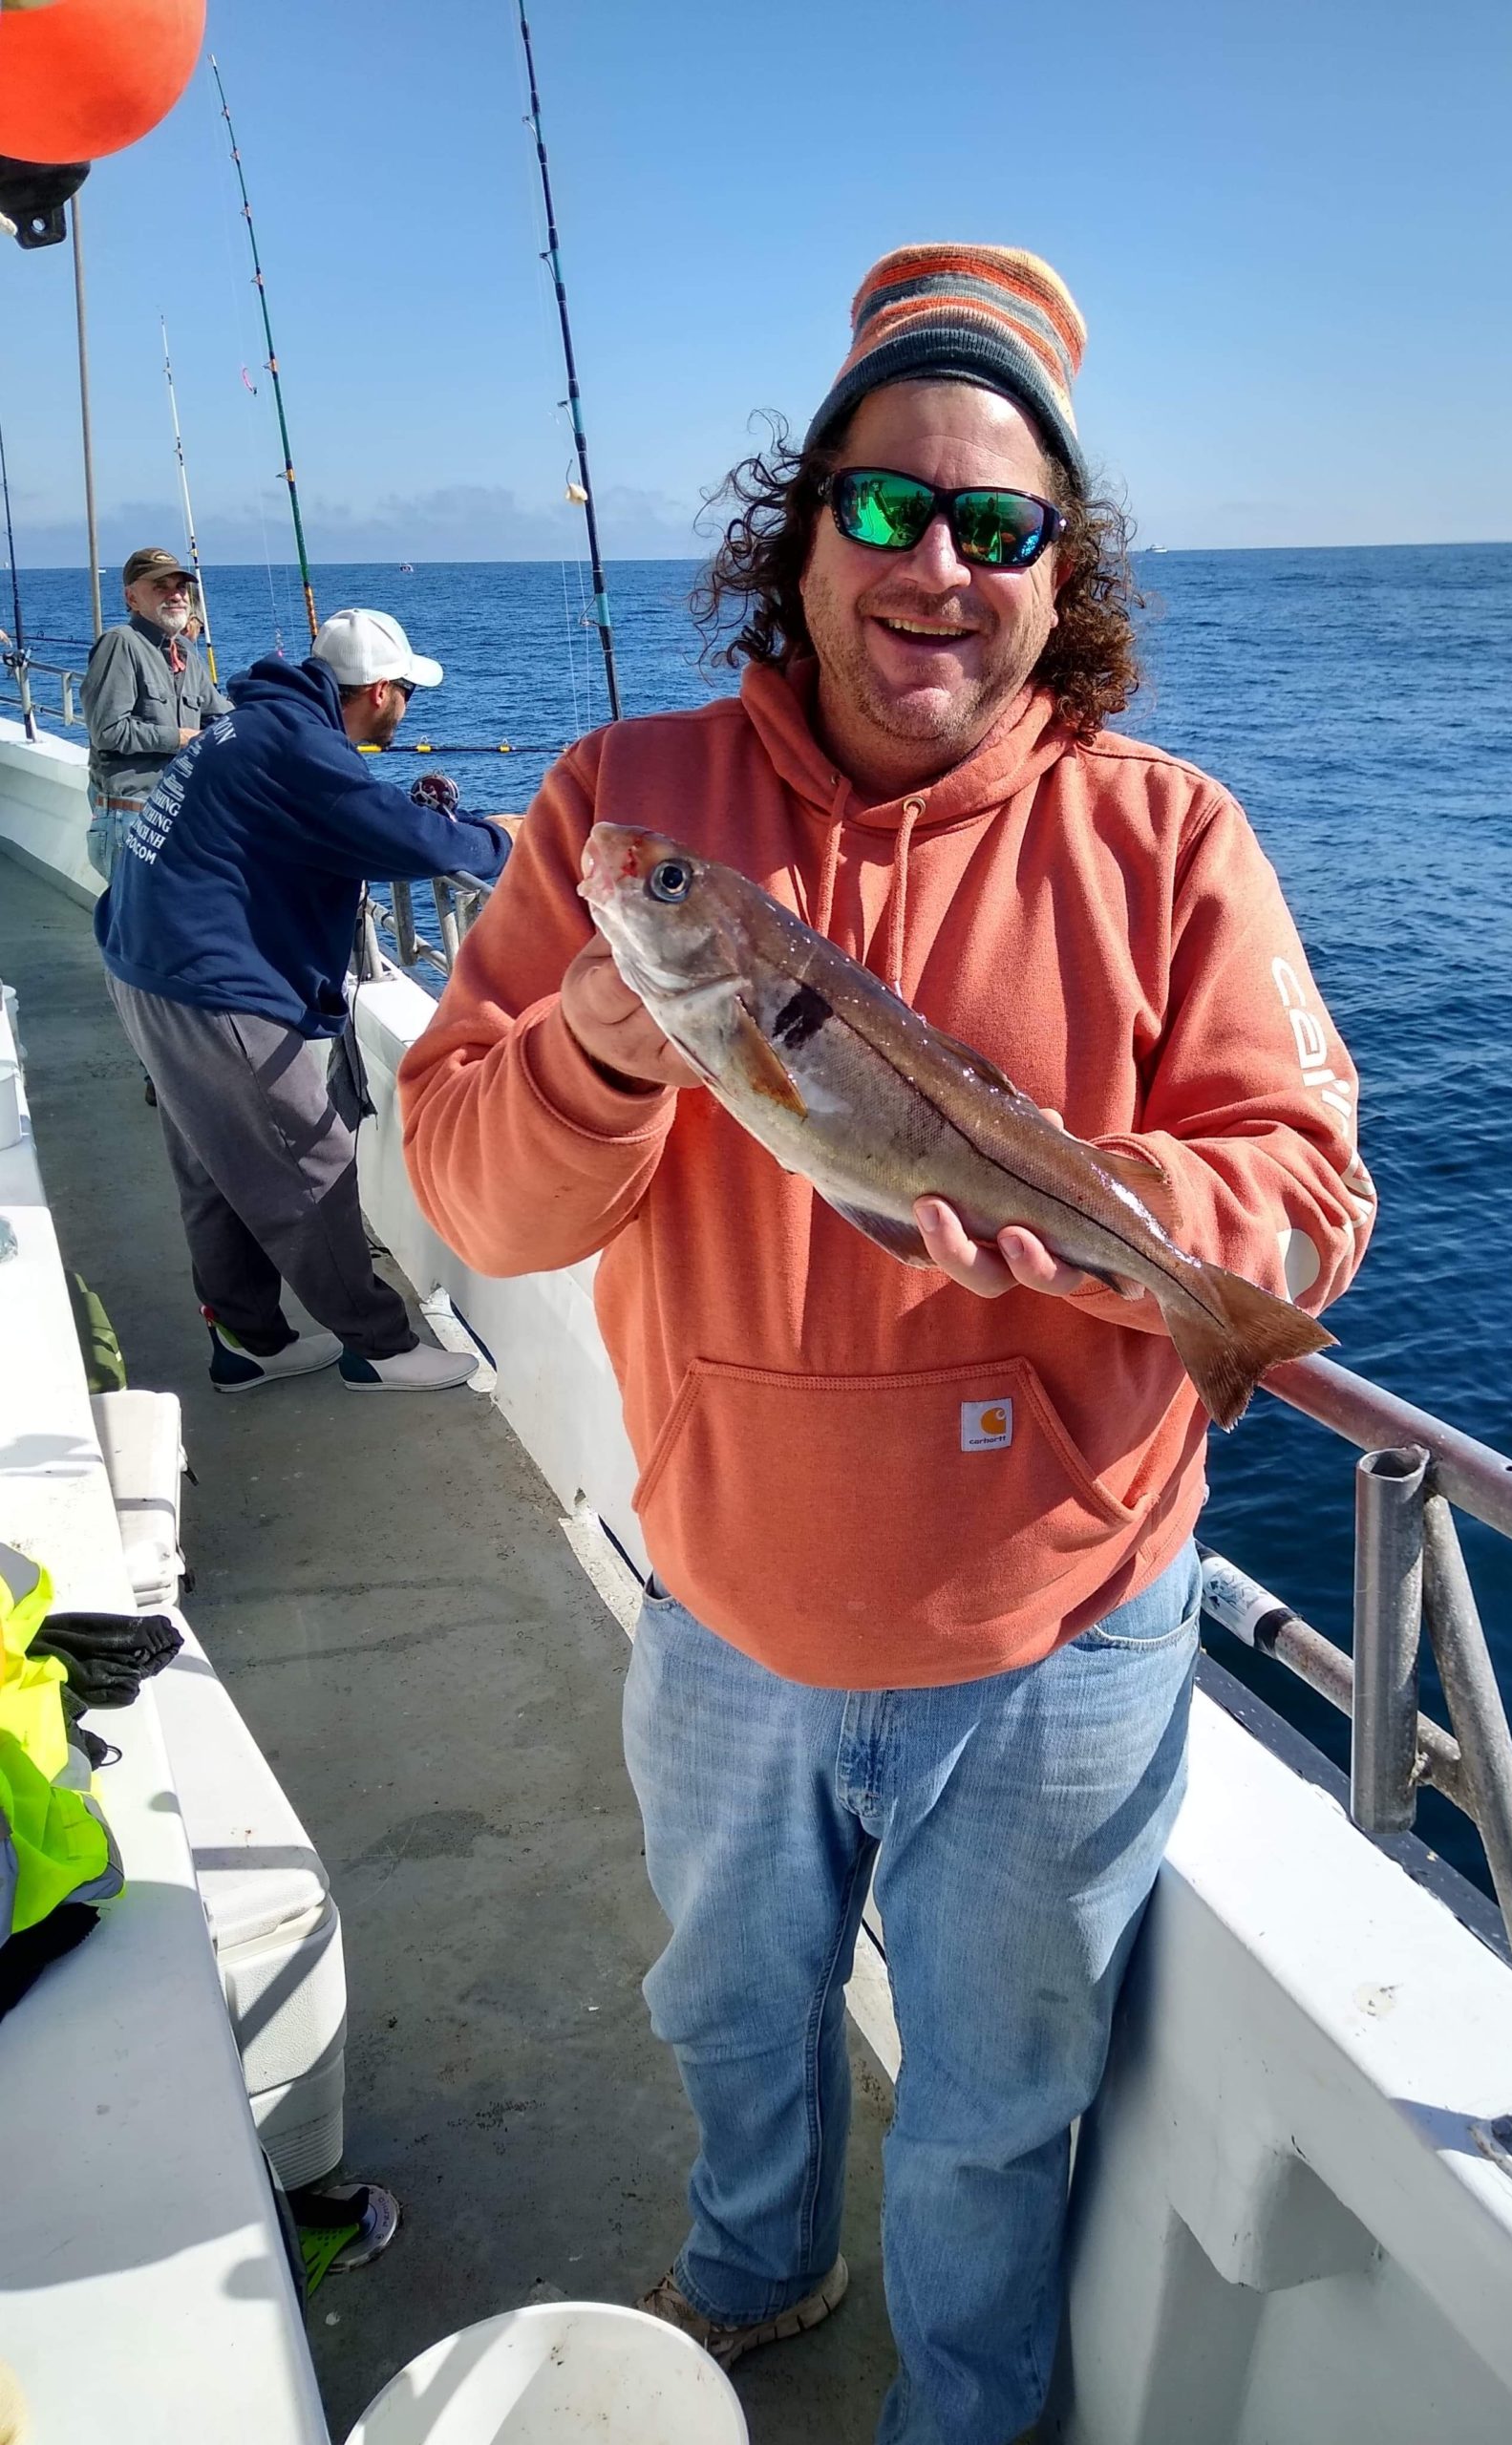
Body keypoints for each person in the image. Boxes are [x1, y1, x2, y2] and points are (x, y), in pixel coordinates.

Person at [397, 244, 1376, 2442]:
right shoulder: (622, 814)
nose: (938, 562)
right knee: (726, 2013)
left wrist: (1109, 1230)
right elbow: (467, 1188)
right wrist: (597, 1036)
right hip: (727, 1614)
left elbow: (1308, 1188)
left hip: (1055, 1645)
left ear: (1055, 568)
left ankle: (963, 2408)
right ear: (802, 521)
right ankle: (756, 2265)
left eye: (998, 524)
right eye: (885, 507)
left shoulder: (1168, 834)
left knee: (992, 2100)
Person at [96, 606, 516, 1395]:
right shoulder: (296, 744)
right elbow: (410, 841)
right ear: (382, 691)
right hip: (210, 988)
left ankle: (250, 1342)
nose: (406, 711)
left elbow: (336, 818)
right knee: (310, 1164)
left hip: (147, 964)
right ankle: (380, 1350)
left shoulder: (253, 723)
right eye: (408, 697)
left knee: (217, 1171)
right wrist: (498, 837)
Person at [80, 545, 230, 884]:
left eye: (180, 587)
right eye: (160, 587)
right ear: (131, 598)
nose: (176, 595)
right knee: (137, 934)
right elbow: (108, 731)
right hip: (130, 816)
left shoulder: (187, 654)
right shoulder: (121, 643)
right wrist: (180, 738)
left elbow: (219, 718)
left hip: (177, 817)